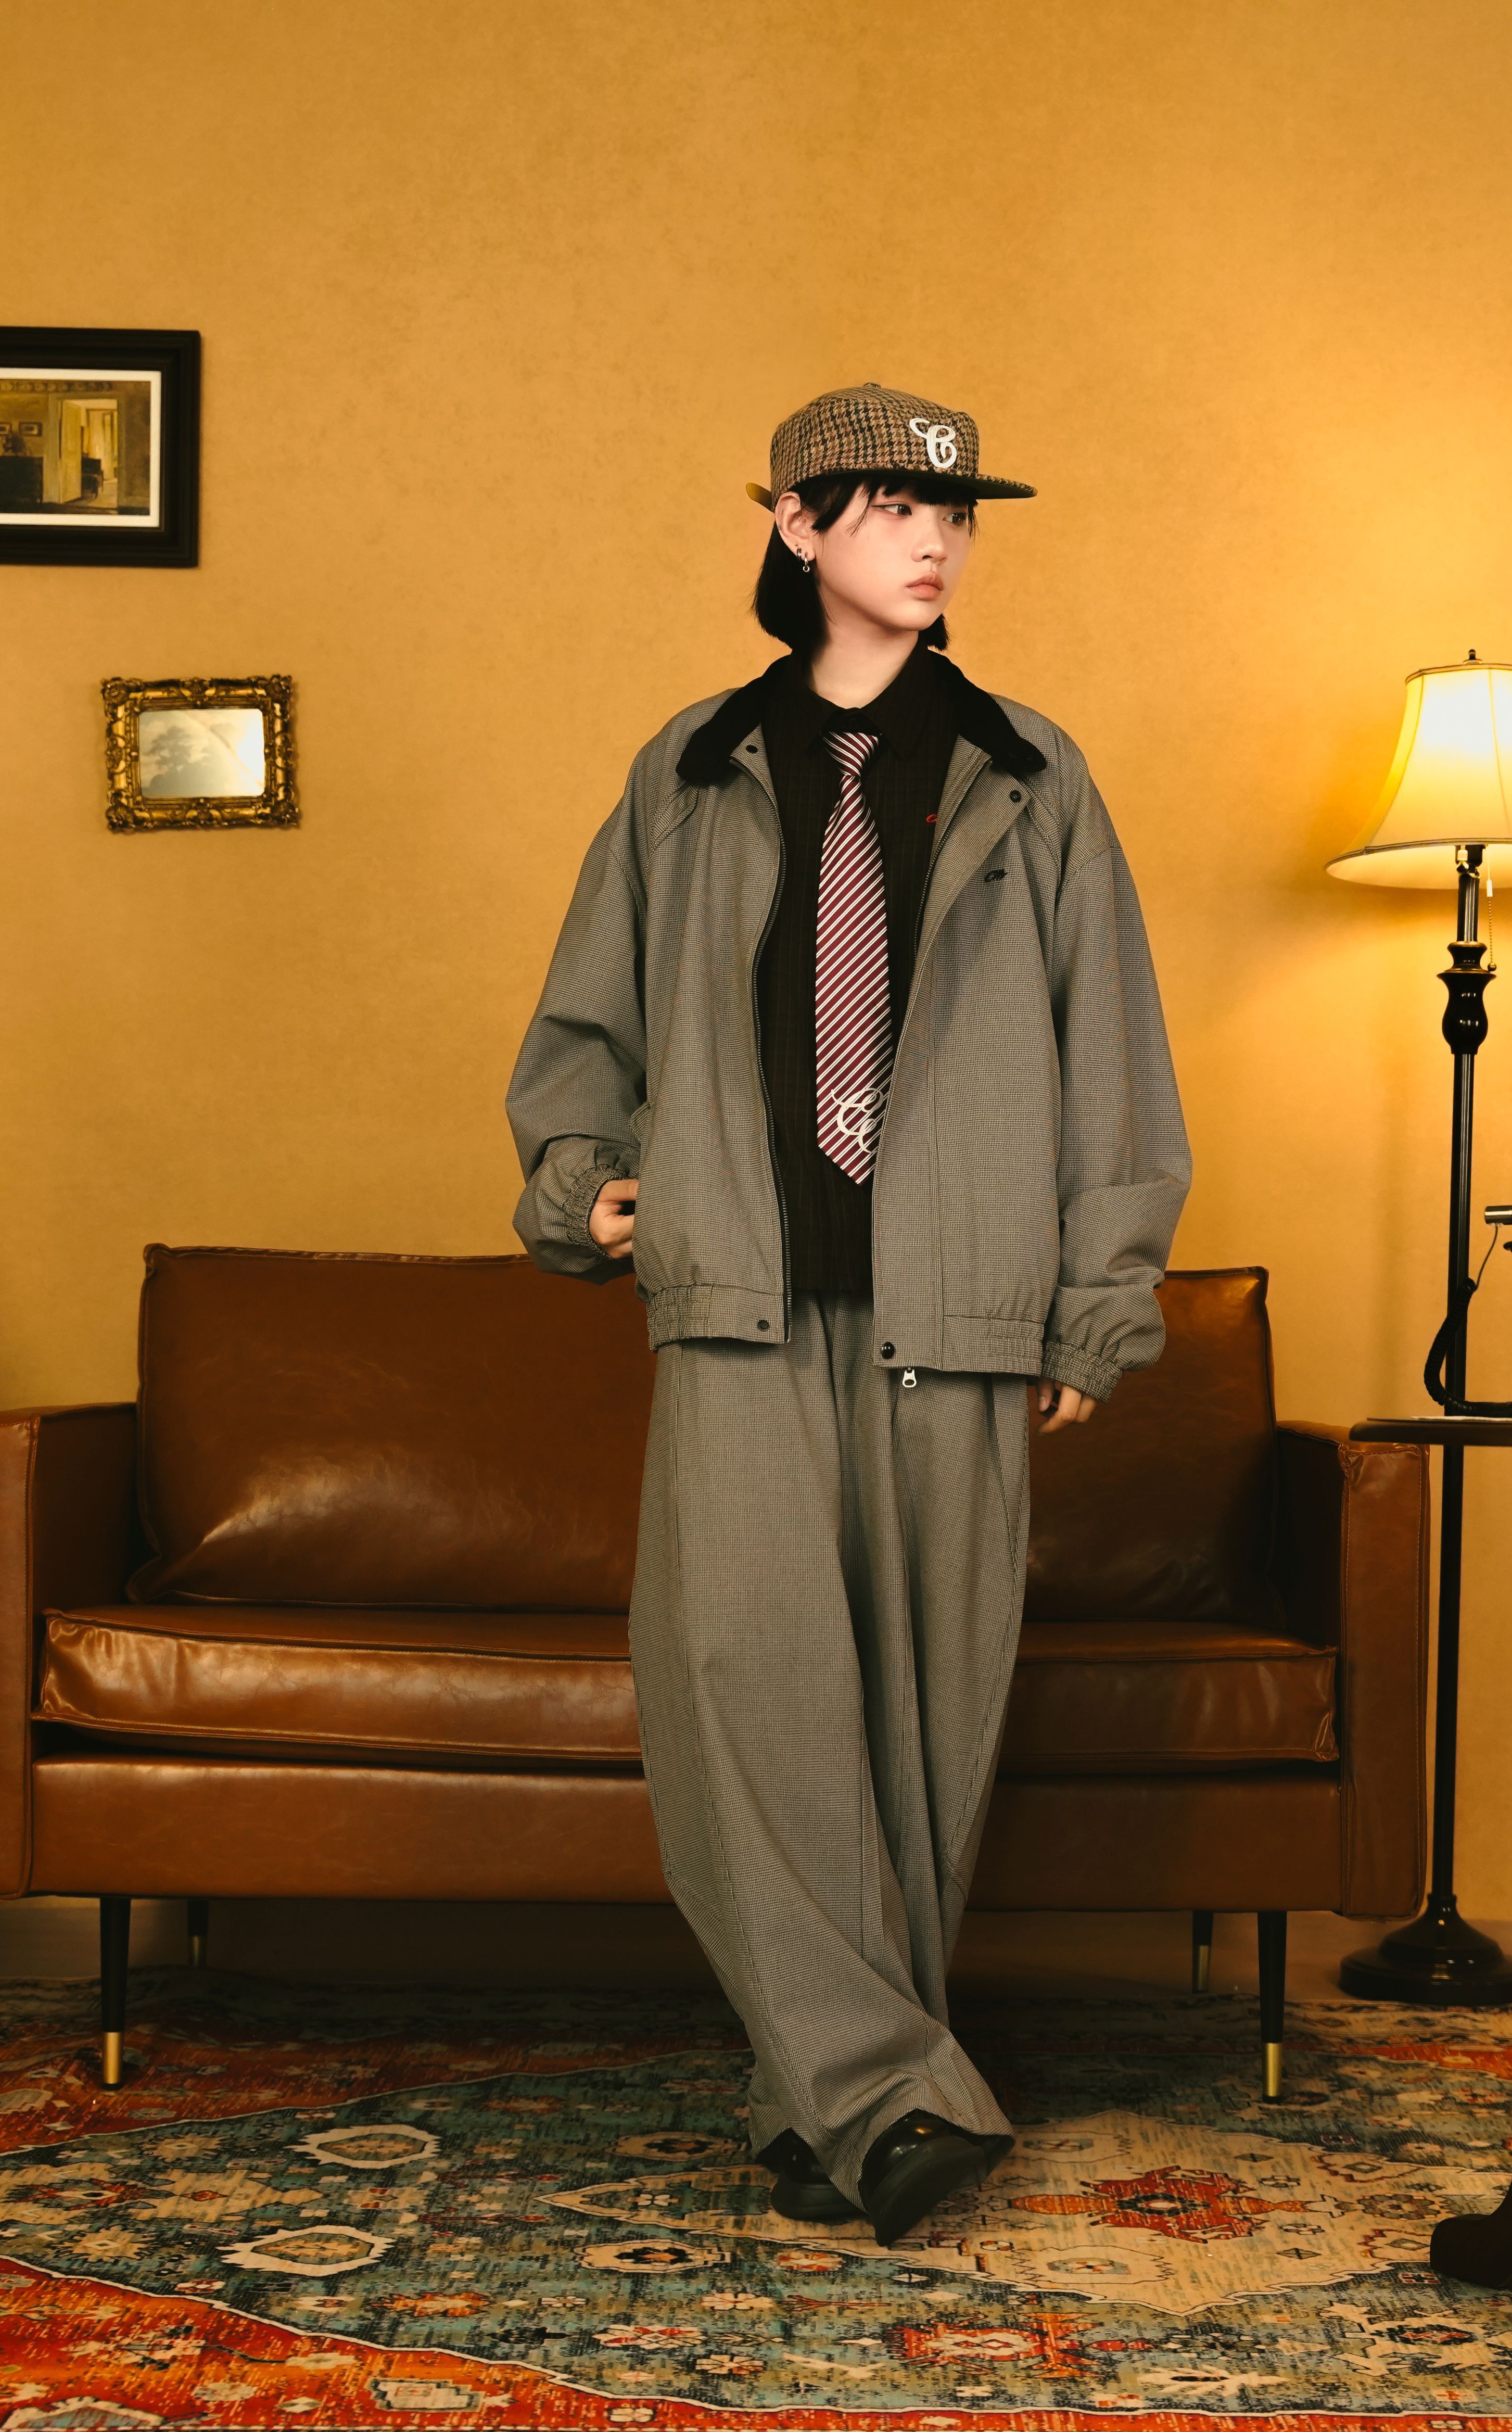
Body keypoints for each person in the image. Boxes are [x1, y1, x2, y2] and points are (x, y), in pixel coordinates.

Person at [507, 383, 1189, 2243]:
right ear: (797, 526)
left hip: (959, 1304)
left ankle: (833, 2117)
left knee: (919, 1726)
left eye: (956, 513)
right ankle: (891, 2093)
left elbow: (1113, 1059)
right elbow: (584, 1022)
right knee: (738, 1695)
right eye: (892, 507)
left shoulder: (1035, 775)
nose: (936, 540)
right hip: (740, 1296)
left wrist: (1097, 1306)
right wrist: (583, 1186)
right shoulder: (691, 768)